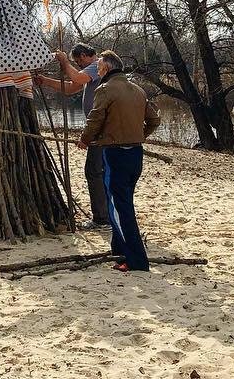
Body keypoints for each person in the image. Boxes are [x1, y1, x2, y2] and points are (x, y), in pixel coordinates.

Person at [77, 51, 161, 273]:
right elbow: (154, 119)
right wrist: (139, 135)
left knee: (119, 208)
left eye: (100, 67)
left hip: (116, 155)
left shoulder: (105, 89)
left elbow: (95, 118)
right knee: (122, 203)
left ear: (106, 68)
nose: (98, 70)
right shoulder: (138, 90)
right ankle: (119, 250)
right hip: (135, 154)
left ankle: (136, 261)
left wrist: (85, 139)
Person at [35, 43, 109, 228]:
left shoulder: (96, 66)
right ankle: (105, 215)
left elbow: (76, 77)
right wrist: (45, 81)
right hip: (99, 128)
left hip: (100, 129)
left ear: (84, 55)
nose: (78, 65)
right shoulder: (90, 72)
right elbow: (69, 87)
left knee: (94, 171)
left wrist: (65, 62)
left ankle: (102, 218)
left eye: (78, 61)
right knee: (98, 171)